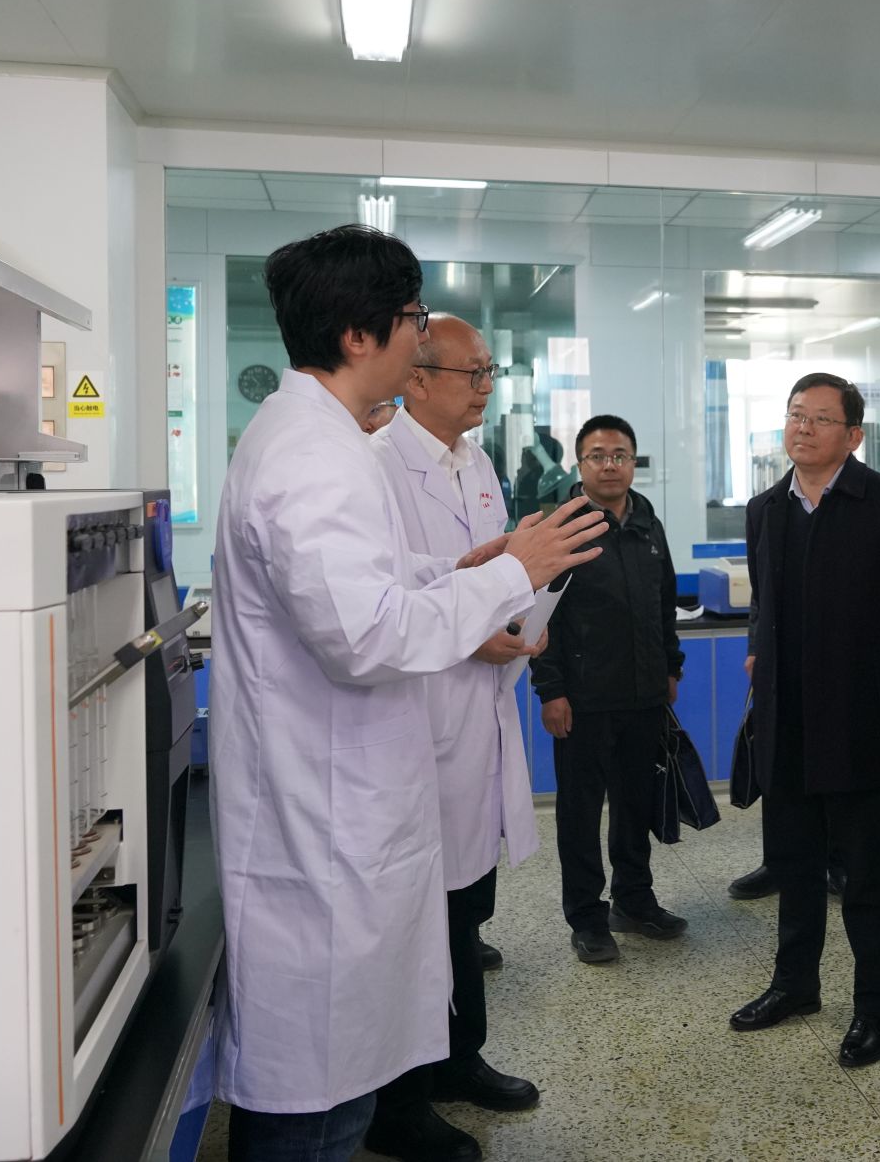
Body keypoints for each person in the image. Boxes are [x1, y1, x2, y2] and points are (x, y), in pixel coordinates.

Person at [207, 224, 605, 1162]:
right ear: (360, 335)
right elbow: (366, 636)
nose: (421, 336)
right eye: (412, 318)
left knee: (343, 1078)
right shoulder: (315, 455)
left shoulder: (320, 438)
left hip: (346, 811)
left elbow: (367, 584)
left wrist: (458, 569)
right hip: (324, 828)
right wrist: (511, 574)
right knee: (318, 1106)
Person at [367, 322, 546, 1162]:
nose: (485, 387)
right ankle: (399, 1101)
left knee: (467, 905)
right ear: (417, 379)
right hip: (418, 717)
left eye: (489, 372)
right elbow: (389, 603)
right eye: (471, 373)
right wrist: (476, 629)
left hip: (478, 714)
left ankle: (459, 1058)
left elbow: (491, 573)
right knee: (417, 920)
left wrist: (520, 620)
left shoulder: (476, 463)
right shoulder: (376, 465)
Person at [730, 373, 880, 1067]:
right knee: (795, 867)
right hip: (787, 725)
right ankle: (795, 984)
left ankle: (877, 1008)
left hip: (861, 726)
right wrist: (760, 652)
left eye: (820, 418)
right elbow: (764, 605)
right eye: (795, 416)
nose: (803, 429)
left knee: (868, 881)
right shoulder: (765, 509)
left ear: (853, 435)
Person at [531, 414, 690, 963]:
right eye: (597, 456)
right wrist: (550, 690)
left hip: (644, 695)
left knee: (635, 806)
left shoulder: (647, 521)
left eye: (620, 455)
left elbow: (663, 601)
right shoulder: (562, 527)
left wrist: (671, 668)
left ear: (632, 462)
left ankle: (634, 900)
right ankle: (587, 918)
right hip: (582, 700)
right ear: (580, 464)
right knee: (579, 813)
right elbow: (542, 618)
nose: (609, 465)